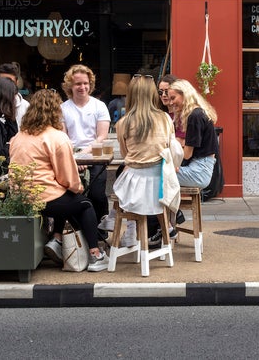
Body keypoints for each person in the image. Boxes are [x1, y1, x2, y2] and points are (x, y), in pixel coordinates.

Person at [9, 88, 109, 272]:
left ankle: (57, 241)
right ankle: (95, 255)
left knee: (68, 199)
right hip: (45, 198)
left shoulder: (18, 137)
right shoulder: (57, 137)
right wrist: (78, 188)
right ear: (56, 111)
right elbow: (68, 179)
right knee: (84, 203)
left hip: (19, 196)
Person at [113, 74, 179, 249]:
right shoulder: (165, 119)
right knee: (146, 186)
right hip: (160, 186)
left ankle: (128, 227)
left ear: (131, 95)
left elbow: (126, 155)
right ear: (152, 94)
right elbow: (169, 148)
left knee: (122, 180)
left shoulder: (122, 123)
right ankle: (166, 226)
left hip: (134, 187)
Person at [60, 64, 111, 222]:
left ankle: (102, 224)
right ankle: (80, 228)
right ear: (70, 86)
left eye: (85, 83)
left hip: (96, 156)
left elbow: (101, 136)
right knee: (71, 194)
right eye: (78, 84)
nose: (82, 87)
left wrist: (84, 155)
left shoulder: (99, 106)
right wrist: (76, 157)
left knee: (96, 193)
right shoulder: (63, 108)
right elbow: (62, 137)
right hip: (71, 156)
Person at [0, 62, 29, 126]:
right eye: (2, 81)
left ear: (17, 82)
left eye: (10, 81)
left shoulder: (25, 107)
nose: (6, 85)